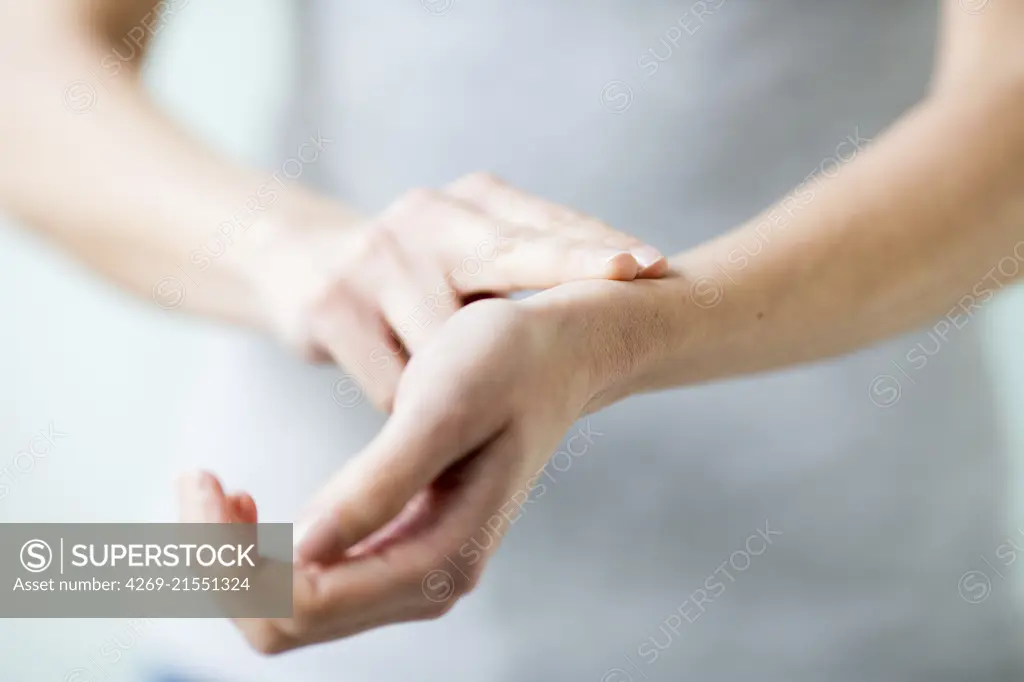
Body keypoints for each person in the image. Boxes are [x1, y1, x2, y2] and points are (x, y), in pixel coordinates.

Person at [2, 0, 1023, 680]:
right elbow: (26, 67)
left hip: (854, 625)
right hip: (254, 599)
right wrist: (314, 263)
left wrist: (630, 336)